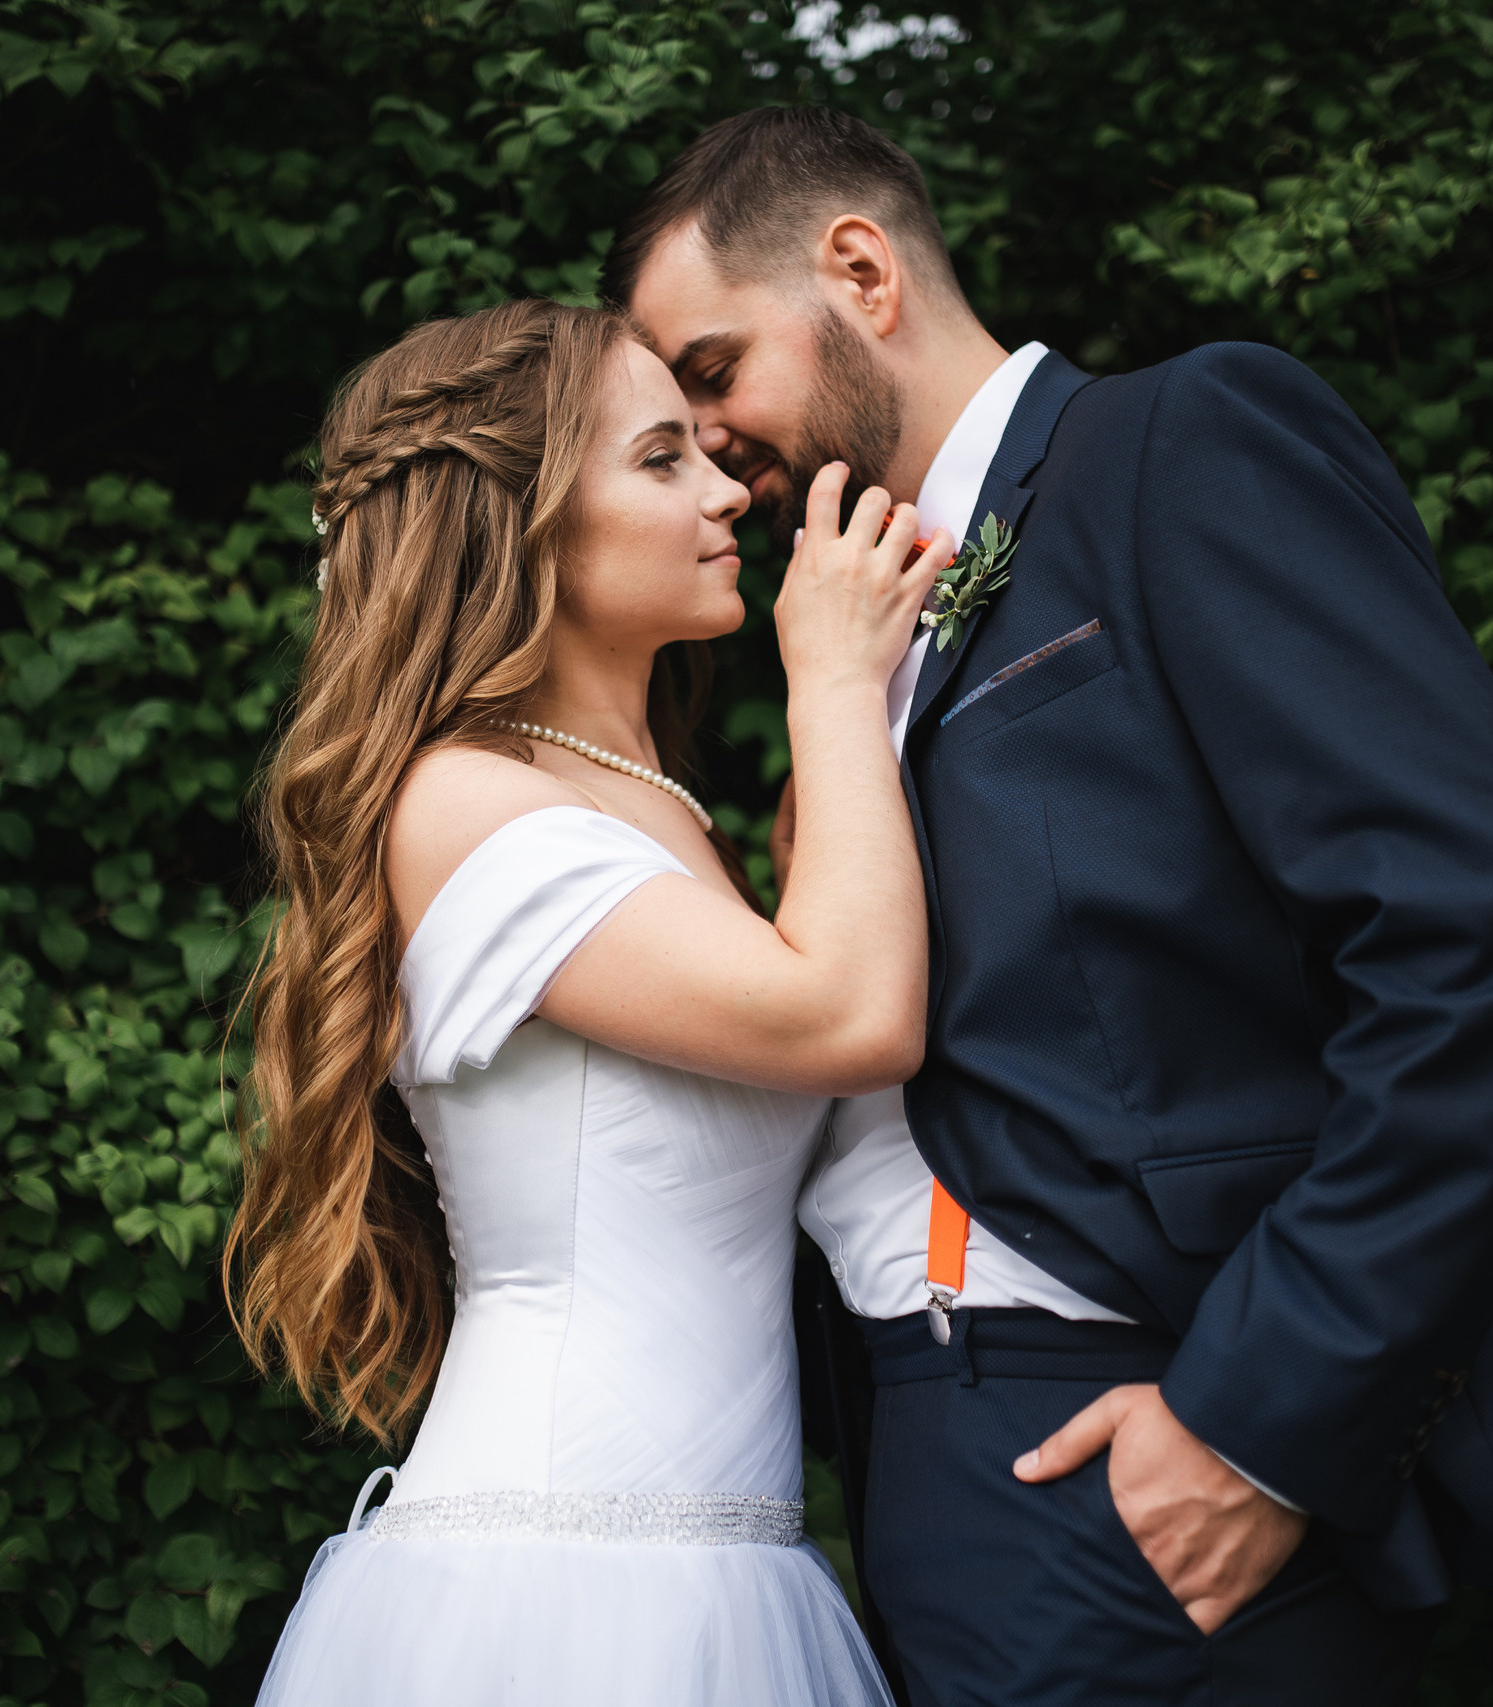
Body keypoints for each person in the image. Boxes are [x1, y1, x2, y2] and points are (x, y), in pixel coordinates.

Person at [603, 107, 1493, 1706]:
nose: (714, 440)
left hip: (1157, 1450)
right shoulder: (857, 636)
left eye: (715, 367)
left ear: (862, 271)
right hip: (924, 1472)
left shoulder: (1178, 444)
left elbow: (1489, 927)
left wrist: (1261, 1420)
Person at [227, 296, 952, 1704]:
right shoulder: (461, 803)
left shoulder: (659, 815)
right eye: (661, 458)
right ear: (525, 522)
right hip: (558, 1583)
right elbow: (852, 1019)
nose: (730, 488)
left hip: (725, 1566)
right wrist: (831, 683)